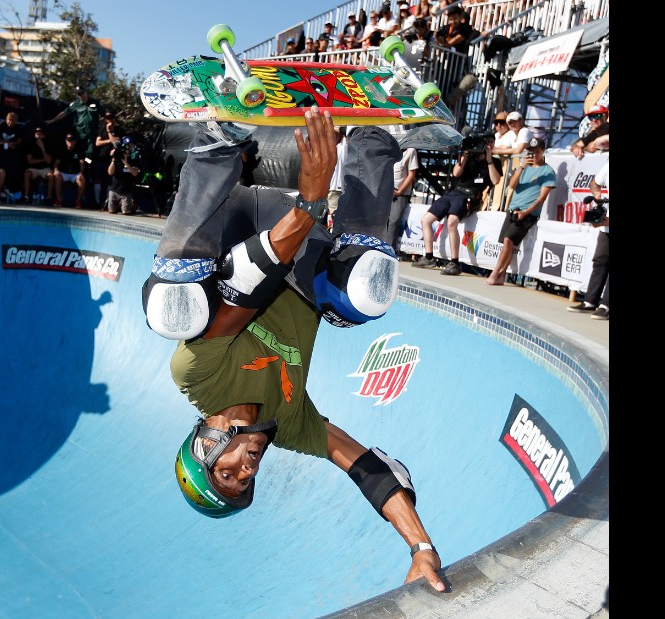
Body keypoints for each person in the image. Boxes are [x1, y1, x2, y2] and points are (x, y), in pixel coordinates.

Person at [143, 110, 444, 593]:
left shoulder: (196, 378)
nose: (247, 470)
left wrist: (308, 202)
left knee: (173, 310)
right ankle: (379, 135)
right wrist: (421, 547)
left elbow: (246, 292)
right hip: (303, 257)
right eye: (244, 483)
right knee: (361, 296)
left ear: (204, 446)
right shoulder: (290, 425)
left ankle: (217, 143)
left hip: (238, 228)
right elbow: (365, 465)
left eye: (227, 472)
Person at [414, 135, 501, 275]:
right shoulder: (469, 158)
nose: (486, 146)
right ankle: (429, 257)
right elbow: (456, 173)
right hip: (453, 192)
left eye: (490, 142)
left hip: (470, 195)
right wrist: (465, 155)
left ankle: (454, 263)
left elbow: (496, 181)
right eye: (485, 143)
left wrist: (489, 159)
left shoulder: (494, 162)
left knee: (451, 222)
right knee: (426, 220)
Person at [485, 137, 555, 285]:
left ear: (543, 151)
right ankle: (502, 275)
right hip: (513, 209)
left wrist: (526, 212)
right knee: (508, 245)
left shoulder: (548, 171)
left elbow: (541, 199)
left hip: (527, 213)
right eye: (531, 152)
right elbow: (511, 185)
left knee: (508, 240)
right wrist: (522, 167)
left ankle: (495, 272)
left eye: (537, 152)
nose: (534, 155)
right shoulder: (524, 167)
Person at [49, 87, 105, 205]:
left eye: (82, 93)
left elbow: (105, 116)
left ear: (86, 92)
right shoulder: (76, 104)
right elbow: (64, 113)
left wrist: (105, 129)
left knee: (88, 157)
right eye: (79, 94)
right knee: (76, 154)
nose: (81, 96)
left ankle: (87, 175)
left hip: (90, 136)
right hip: (79, 136)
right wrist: (53, 120)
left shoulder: (95, 103)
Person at [567, 160, 609, 320]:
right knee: (600, 262)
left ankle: (606, 306)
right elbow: (594, 183)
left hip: (607, 223)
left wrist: (602, 221)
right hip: (606, 227)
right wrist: (597, 194)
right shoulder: (607, 166)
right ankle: (590, 302)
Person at [387, 147, 419, 254]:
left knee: (393, 221)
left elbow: (411, 174)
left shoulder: (410, 151)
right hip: (385, 188)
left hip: (398, 192)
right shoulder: (389, 147)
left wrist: (400, 191)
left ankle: (388, 250)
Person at [106, 139, 142, 215]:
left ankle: (130, 206)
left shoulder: (134, 158)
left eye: (132, 146)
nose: (130, 148)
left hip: (126, 191)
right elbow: (110, 172)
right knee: (111, 211)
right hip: (115, 189)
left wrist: (125, 162)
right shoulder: (117, 156)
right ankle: (119, 206)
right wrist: (113, 159)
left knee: (126, 212)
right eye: (129, 145)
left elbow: (134, 173)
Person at [50, 132, 86, 208]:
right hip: (64, 173)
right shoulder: (61, 150)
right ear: (66, 141)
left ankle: (78, 201)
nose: (70, 142)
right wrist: (56, 170)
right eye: (68, 140)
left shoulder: (79, 151)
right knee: (56, 176)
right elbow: (56, 163)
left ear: (75, 141)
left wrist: (81, 173)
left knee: (82, 179)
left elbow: (82, 163)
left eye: (72, 140)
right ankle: (58, 199)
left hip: (75, 174)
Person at [0, 111, 24, 195]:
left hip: (12, 153)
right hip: (1, 151)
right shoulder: (1, 125)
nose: (10, 122)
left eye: (13, 120)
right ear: (6, 119)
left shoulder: (18, 128)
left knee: (14, 166)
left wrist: (13, 144)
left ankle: (8, 188)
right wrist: (6, 143)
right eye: (9, 120)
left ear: (16, 121)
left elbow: (19, 141)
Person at [23, 125, 54, 203]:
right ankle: (26, 196)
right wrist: (43, 159)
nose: (38, 134)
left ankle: (48, 197)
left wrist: (42, 148)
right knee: (27, 174)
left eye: (40, 133)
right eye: (37, 133)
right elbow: (30, 161)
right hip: (33, 169)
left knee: (51, 176)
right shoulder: (30, 144)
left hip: (45, 169)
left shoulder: (48, 145)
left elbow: (49, 161)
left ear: (44, 135)